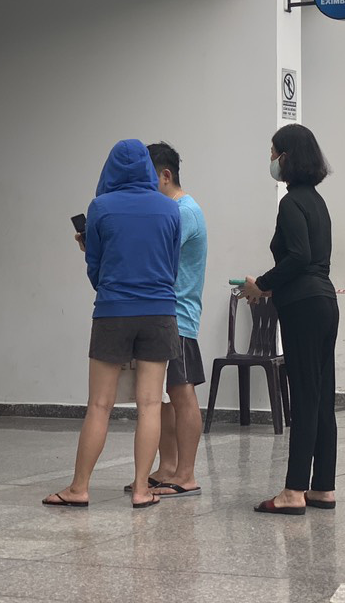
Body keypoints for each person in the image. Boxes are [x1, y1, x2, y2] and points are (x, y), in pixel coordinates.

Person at [44, 138, 181, 510]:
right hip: (159, 312)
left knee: (100, 404)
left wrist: (90, 252)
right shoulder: (170, 209)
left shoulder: (101, 208)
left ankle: (79, 488)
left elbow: (97, 270)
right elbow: (172, 266)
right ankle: (141, 489)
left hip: (113, 311)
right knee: (150, 404)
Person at [241, 124, 339, 516]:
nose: (270, 160)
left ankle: (294, 490)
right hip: (324, 301)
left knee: (303, 395)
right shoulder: (317, 202)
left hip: (303, 305)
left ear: (287, 157)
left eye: (273, 152)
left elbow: (298, 256)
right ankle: (322, 486)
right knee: (322, 394)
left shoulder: (290, 203)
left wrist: (262, 284)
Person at [143, 142, 208, 498]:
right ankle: (166, 467)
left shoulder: (184, 213)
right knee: (165, 397)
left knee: (182, 393)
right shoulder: (172, 211)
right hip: (163, 314)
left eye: (147, 180)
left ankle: (186, 474)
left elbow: (154, 253)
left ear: (165, 176)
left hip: (178, 316)